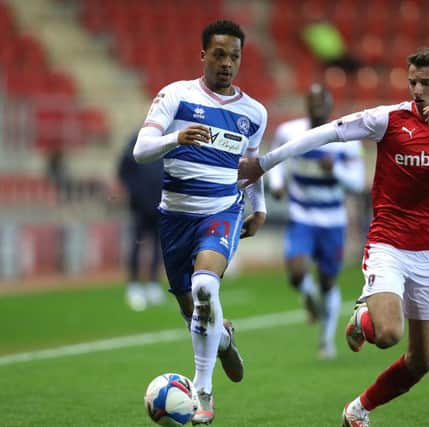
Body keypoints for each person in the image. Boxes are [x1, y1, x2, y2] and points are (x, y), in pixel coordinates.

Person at [238, 48, 429, 426]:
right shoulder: (387, 119)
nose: (417, 89)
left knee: (422, 362)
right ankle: (364, 316)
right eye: (412, 81)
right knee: (386, 334)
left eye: (426, 82)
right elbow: (325, 133)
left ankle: (358, 410)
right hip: (389, 244)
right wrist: (265, 164)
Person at [133, 20, 268, 425]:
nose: (228, 63)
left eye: (235, 56)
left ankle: (203, 390)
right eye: (220, 54)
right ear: (203, 55)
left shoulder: (254, 113)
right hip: (175, 217)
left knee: (205, 286)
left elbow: (252, 167)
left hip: (221, 210)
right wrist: (176, 138)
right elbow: (141, 150)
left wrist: (258, 207)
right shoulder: (176, 95)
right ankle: (222, 339)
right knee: (193, 309)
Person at [268, 83, 365, 360]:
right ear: (306, 105)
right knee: (297, 272)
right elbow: (274, 160)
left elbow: (357, 182)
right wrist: (277, 185)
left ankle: (326, 340)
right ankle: (309, 299)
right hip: (302, 214)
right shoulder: (290, 132)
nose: (316, 108)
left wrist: (335, 169)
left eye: (321, 103)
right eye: (312, 102)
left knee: (327, 282)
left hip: (333, 218)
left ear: (329, 106)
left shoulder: (347, 137)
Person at [117, 132, 165, 311]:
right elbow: (123, 171)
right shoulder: (135, 140)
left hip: (160, 205)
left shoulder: (165, 140)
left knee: (158, 247)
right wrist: (134, 191)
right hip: (139, 206)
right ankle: (134, 285)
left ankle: (153, 283)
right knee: (137, 245)